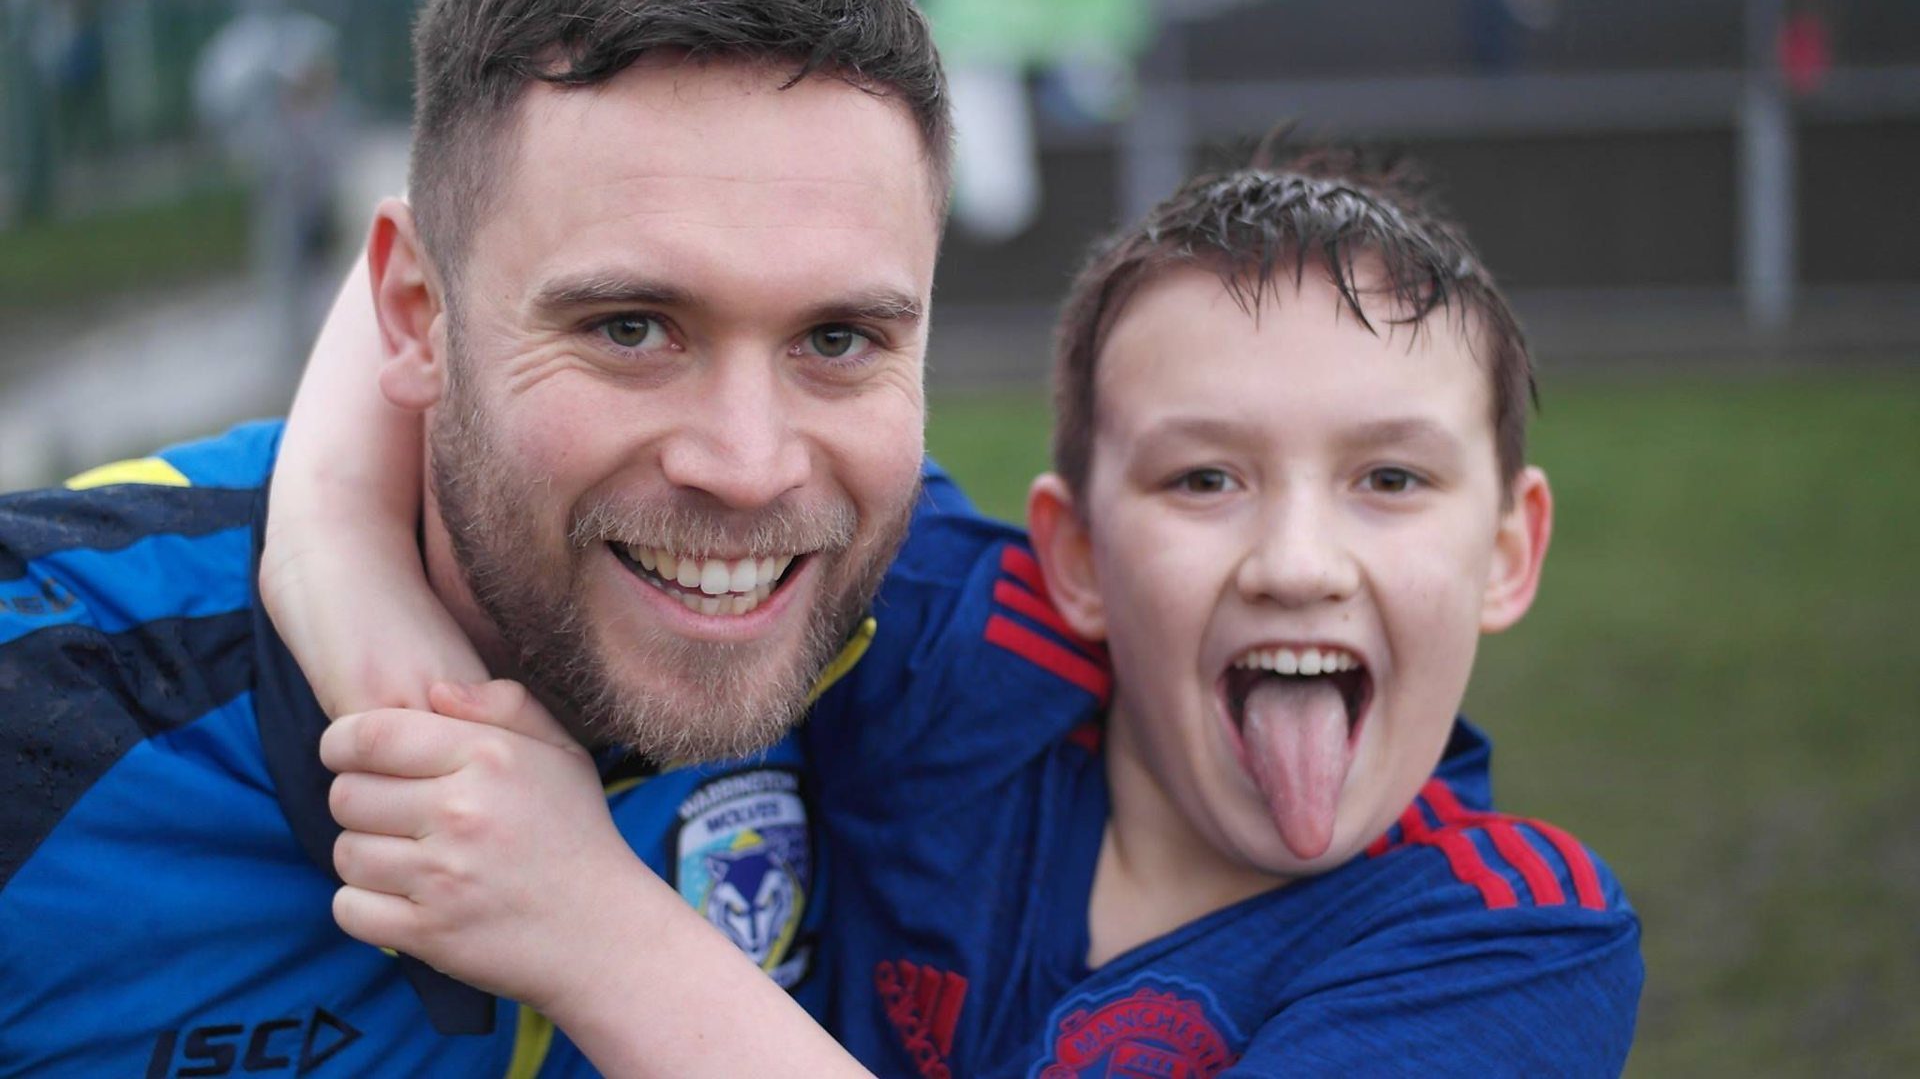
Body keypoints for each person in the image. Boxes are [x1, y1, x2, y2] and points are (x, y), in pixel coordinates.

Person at [270, 147, 1644, 1076]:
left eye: (1389, 479)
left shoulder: (1514, 941)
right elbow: (474, 218)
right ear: (1079, 554)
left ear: (1508, 551)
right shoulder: (959, 647)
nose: (1297, 560)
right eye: (1205, 476)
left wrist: (583, 918)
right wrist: (341, 559)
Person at [0, 0, 954, 1074]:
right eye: (629, 328)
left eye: (838, 338)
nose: (748, 468)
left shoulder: (937, 618)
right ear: (414, 312)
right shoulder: (49, 694)